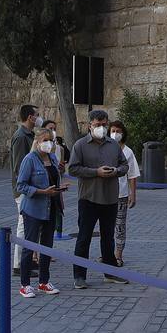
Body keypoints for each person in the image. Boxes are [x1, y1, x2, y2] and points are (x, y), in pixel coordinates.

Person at [67, 109, 126, 289]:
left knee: (108, 238)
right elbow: (73, 169)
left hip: (110, 199)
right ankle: (79, 275)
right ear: (89, 125)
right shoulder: (80, 145)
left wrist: (115, 171)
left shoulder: (113, 145)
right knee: (84, 238)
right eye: (97, 125)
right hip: (89, 198)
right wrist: (96, 172)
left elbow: (124, 165)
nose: (101, 128)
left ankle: (110, 272)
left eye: (104, 125)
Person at [16, 128, 67, 297]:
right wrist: (42, 192)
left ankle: (44, 282)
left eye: (51, 140)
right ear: (37, 141)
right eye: (45, 140)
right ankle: (25, 284)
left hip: (51, 208)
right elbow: (21, 185)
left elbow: (53, 179)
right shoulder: (29, 159)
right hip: (33, 209)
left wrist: (59, 189)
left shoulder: (52, 158)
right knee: (29, 245)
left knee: (47, 246)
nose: (48, 143)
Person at [9, 104, 39, 270]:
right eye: (37, 115)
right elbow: (20, 167)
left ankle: (29, 260)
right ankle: (19, 264)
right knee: (23, 225)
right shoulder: (21, 137)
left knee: (31, 226)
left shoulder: (29, 135)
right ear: (30, 117)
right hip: (24, 189)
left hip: (30, 188)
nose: (38, 118)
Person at [109, 120, 141, 267]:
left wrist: (132, 194)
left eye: (118, 131)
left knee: (120, 226)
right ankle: (107, 253)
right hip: (105, 194)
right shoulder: (105, 148)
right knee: (106, 226)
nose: (115, 134)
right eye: (112, 130)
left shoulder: (127, 151)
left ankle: (118, 255)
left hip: (121, 194)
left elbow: (132, 174)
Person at [43, 119, 70, 238]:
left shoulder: (60, 149)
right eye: (50, 129)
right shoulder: (38, 149)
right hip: (43, 189)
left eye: (54, 129)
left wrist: (61, 168)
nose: (52, 131)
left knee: (53, 219)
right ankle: (35, 253)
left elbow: (61, 171)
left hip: (56, 187)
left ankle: (46, 252)